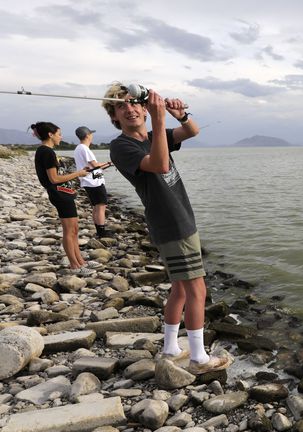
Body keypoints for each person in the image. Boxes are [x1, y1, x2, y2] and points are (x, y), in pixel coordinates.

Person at [101, 82, 231, 374]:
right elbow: (159, 164)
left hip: (180, 219)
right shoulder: (122, 146)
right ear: (114, 117)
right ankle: (198, 358)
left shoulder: (151, 135)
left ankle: (171, 347)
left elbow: (192, 131)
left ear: (143, 108)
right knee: (197, 289)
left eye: (134, 102)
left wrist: (179, 115)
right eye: (121, 106)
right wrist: (159, 122)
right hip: (171, 224)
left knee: (180, 289)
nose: (129, 108)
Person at [30, 122, 90, 272]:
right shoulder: (47, 152)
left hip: (65, 194)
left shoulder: (46, 151)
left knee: (74, 229)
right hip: (59, 195)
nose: (61, 137)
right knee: (69, 231)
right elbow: (54, 179)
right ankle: (74, 264)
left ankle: (80, 260)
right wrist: (79, 173)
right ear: (50, 135)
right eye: (59, 134)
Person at [73, 126, 113, 238]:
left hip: (88, 181)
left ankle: (99, 229)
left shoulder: (78, 148)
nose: (92, 135)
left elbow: (92, 167)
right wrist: (109, 163)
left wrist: (106, 165)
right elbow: (95, 165)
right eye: (91, 133)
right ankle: (102, 232)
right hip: (94, 182)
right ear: (87, 136)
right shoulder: (85, 149)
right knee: (101, 206)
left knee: (96, 206)